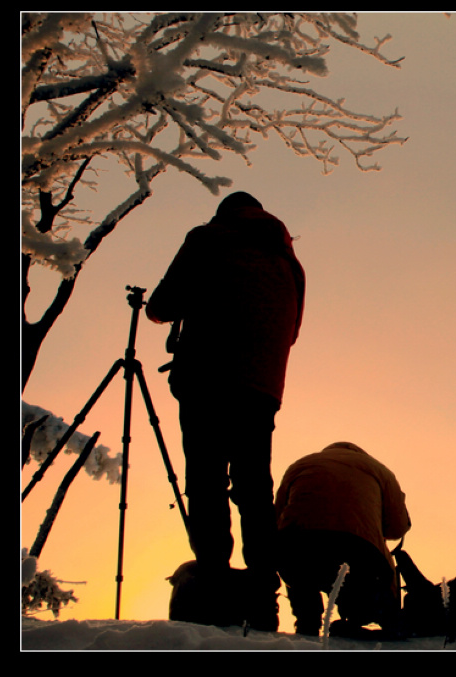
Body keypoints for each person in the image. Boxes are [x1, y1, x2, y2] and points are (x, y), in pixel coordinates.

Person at [147, 191, 305, 631]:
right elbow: (291, 331)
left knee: (206, 478)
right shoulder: (289, 262)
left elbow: (162, 303)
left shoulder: (207, 238)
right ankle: (263, 598)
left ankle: (214, 585)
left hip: (207, 378)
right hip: (262, 388)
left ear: (224, 214)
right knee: (254, 489)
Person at [274, 442, 412, 638]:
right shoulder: (380, 470)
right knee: (364, 581)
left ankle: (307, 623)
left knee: (302, 575)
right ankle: (362, 617)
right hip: (356, 550)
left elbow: (277, 516)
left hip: (297, 547)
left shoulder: (301, 464)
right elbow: (397, 528)